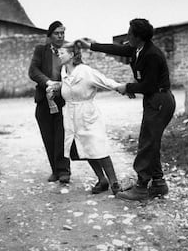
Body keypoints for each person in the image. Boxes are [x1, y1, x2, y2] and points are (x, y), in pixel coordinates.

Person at [79, 18, 176, 201]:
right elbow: (116, 49)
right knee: (151, 142)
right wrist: (91, 46)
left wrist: (128, 87)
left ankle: (141, 186)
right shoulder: (138, 49)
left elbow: (149, 85)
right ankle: (158, 183)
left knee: (146, 143)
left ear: (138, 37)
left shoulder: (152, 55)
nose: (127, 35)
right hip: (153, 100)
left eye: (130, 33)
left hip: (160, 101)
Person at [50, 41, 121, 195]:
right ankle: (102, 179)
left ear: (72, 54)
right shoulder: (63, 71)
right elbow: (68, 87)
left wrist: (122, 88)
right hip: (70, 114)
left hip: (87, 113)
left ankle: (115, 183)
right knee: (84, 148)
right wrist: (57, 89)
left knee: (98, 146)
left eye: (62, 53)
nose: (59, 55)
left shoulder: (85, 71)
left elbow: (105, 81)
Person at [29, 21, 71, 183]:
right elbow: (33, 71)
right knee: (48, 136)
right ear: (50, 36)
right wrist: (48, 83)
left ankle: (64, 171)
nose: (60, 36)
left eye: (62, 33)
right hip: (43, 100)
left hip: (63, 100)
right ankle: (55, 170)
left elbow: (75, 72)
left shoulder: (68, 51)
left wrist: (61, 86)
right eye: (57, 33)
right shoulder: (41, 50)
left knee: (62, 136)